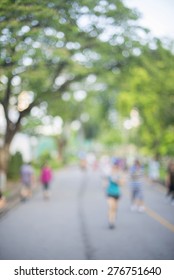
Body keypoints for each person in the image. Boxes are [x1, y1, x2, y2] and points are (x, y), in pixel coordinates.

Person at [104, 159, 123, 229]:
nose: (114, 168)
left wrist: (117, 181)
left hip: (117, 193)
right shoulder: (109, 174)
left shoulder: (119, 174)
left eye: (116, 167)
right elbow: (105, 183)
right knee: (110, 207)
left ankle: (113, 219)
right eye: (113, 167)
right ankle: (111, 221)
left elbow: (122, 183)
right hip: (110, 193)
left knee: (115, 208)